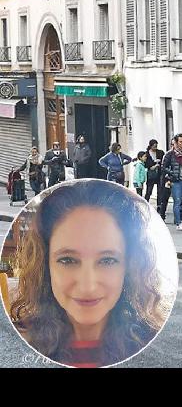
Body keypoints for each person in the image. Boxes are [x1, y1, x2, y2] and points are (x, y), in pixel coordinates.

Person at [8, 180, 173, 367]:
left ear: (129, 266)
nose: (88, 286)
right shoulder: (15, 344)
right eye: (68, 260)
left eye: (107, 260)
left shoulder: (156, 346)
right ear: (45, 266)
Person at [156, 140, 173, 221]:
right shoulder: (168, 155)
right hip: (168, 179)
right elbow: (164, 168)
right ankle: (162, 214)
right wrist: (168, 178)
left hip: (179, 179)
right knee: (165, 198)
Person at [143, 139, 164, 204]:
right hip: (151, 174)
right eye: (154, 146)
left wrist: (159, 163)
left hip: (159, 173)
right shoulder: (146, 154)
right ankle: (146, 203)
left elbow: (164, 161)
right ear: (150, 146)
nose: (155, 148)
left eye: (156, 146)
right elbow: (146, 164)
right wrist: (153, 164)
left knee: (160, 190)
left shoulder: (160, 152)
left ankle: (159, 205)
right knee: (149, 190)